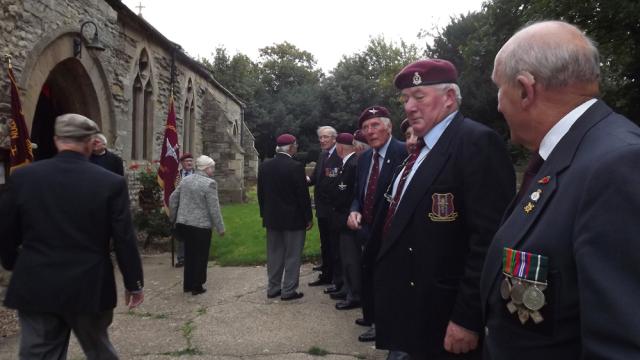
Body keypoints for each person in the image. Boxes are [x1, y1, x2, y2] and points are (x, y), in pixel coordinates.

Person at [480, 20, 640, 359]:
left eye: (499, 90)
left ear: (525, 90)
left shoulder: (617, 166)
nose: (498, 105)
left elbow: (620, 345)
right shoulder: (571, 157)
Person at [371, 59, 515, 359]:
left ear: (449, 97)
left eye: (419, 97)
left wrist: (467, 317)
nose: (409, 107)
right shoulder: (423, 150)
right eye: (406, 99)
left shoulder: (475, 142)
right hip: (415, 307)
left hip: (446, 316)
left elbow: (488, 241)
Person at [0, 113, 144, 359]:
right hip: (90, 283)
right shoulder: (110, 183)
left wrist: (13, 262)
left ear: (57, 141)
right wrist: (134, 283)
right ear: (89, 142)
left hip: (36, 280)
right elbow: (124, 238)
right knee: (98, 349)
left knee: (39, 354)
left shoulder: (24, 177)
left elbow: (6, 228)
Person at [347, 106, 407, 343]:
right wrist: (353, 211)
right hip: (366, 232)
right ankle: (374, 320)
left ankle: (387, 326)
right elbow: (357, 195)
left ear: (389, 126)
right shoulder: (363, 160)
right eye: (365, 127)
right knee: (370, 277)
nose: (370, 132)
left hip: (394, 234)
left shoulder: (404, 153)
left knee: (391, 282)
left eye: (375, 125)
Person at [258, 134, 313, 300]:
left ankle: (273, 288)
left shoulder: (265, 166)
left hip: (272, 218)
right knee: (292, 255)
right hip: (293, 219)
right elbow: (302, 196)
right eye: (295, 145)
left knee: (274, 254)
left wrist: (264, 213)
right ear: (290, 147)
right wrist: (308, 218)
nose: (296, 148)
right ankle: (289, 290)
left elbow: (261, 194)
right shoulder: (295, 167)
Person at [169, 155, 225, 296]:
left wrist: (173, 217)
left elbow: (172, 198)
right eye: (212, 167)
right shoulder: (209, 184)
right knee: (200, 256)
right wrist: (220, 227)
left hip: (185, 224)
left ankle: (187, 285)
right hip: (201, 226)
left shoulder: (186, 180)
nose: (213, 170)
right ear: (206, 168)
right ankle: (197, 286)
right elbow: (214, 208)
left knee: (189, 254)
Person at [327, 133, 361, 310]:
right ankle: (347, 288)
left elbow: (346, 193)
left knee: (350, 259)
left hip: (346, 217)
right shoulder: (347, 164)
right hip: (341, 217)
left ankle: (353, 294)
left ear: (340, 147)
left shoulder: (352, 164)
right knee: (344, 257)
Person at [308, 126, 342, 289]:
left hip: (334, 208)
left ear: (334, 138)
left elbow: (335, 182)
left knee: (335, 244)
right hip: (322, 208)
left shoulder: (340, 154)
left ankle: (336, 278)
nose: (322, 140)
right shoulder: (322, 155)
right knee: (325, 242)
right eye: (320, 137)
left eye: (325, 137)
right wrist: (302, 179)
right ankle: (326, 274)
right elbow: (316, 178)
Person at [174, 152, 195, 267]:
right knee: (181, 234)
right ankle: (181, 258)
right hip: (181, 208)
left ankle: (192, 257)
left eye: (191, 161)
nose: (189, 163)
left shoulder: (197, 174)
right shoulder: (177, 176)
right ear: (182, 163)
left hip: (194, 208)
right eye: (187, 161)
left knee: (193, 233)